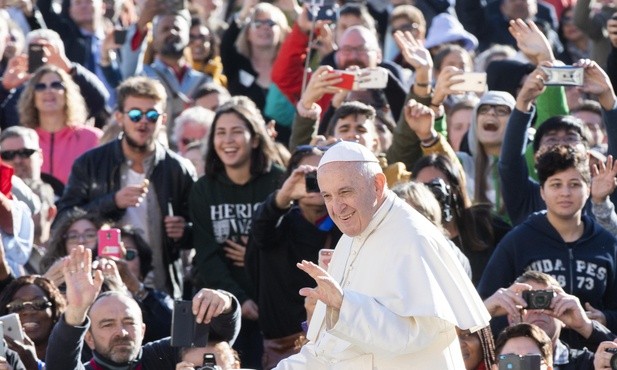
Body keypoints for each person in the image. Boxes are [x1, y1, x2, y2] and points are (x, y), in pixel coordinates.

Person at [274, 141, 490, 369]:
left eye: (345, 192)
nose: (336, 208)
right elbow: (329, 351)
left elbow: (415, 337)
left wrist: (345, 305)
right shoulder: (351, 235)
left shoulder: (412, 238)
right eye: (327, 196)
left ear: (377, 185)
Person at [56, 76, 197, 299]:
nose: (143, 122)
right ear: (119, 117)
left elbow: (202, 230)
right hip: (102, 285)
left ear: (163, 119)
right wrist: (112, 202)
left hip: (160, 286)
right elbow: (64, 219)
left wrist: (185, 231)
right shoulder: (90, 163)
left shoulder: (178, 169)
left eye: (151, 115)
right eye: (134, 115)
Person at [478, 145, 617, 335]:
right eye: (556, 184)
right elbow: (485, 303)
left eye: (575, 184)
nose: (565, 192)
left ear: (588, 189)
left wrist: (606, 318)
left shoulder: (607, 243)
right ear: (542, 191)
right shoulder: (519, 241)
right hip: (532, 356)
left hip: (591, 357)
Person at [189, 95, 285, 368]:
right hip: (222, 307)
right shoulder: (203, 189)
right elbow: (207, 255)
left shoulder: (278, 180)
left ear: (255, 139)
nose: (227, 140)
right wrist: (239, 301)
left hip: (274, 305)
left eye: (236, 132)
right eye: (220, 133)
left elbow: (289, 245)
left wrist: (253, 257)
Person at [45, 245, 241, 370]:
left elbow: (216, 338)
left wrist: (224, 302)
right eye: (107, 324)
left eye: (129, 322)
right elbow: (59, 365)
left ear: (143, 330)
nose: (121, 332)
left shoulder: (162, 357)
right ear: (89, 338)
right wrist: (77, 310)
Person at [246, 146, 342, 369]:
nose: (315, 182)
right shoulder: (279, 222)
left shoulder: (345, 225)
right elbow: (261, 228)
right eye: (309, 175)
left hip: (332, 347)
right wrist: (282, 198)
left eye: (323, 174)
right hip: (281, 349)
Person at [485, 270, 615, 364]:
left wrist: (585, 325)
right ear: (511, 316)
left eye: (548, 302)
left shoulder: (588, 363)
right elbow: (465, 352)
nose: (538, 310)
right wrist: (484, 311)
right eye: (529, 302)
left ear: (564, 319)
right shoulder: (492, 360)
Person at [17, 64, 103, 185]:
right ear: (32, 97)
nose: (49, 90)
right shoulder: (21, 141)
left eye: (56, 85)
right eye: (41, 86)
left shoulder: (94, 139)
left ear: (67, 94)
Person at [0, 275, 66, 370]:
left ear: (55, 311)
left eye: (39, 304)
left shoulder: (70, 357)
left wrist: (33, 365)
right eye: (17, 305)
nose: (28, 311)